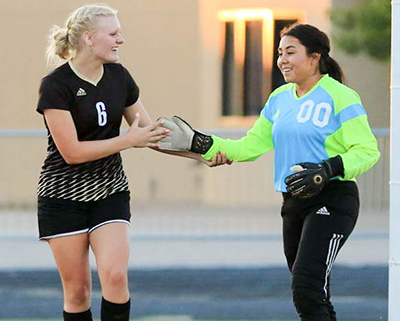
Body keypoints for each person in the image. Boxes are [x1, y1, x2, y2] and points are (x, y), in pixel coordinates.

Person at [158, 24, 381, 321]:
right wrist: (202, 143)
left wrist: (327, 170)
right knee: (311, 293)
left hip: (333, 199)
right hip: (293, 202)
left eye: (291, 52)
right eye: (279, 53)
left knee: (306, 287)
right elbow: (249, 146)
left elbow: (367, 150)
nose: (282, 60)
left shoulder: (342, 96)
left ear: (314, 57)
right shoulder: (279, 99)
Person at [36, 4, 222, 320]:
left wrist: (200, 155)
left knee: (115, 276)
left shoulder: (119, 77)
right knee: (78, 292)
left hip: (109, 191)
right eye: (114, 33)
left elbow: (149, 134)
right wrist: (127, 141)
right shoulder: (56, 85)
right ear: (89, 38)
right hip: (61, 197)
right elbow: (72, 152)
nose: (121, 39)